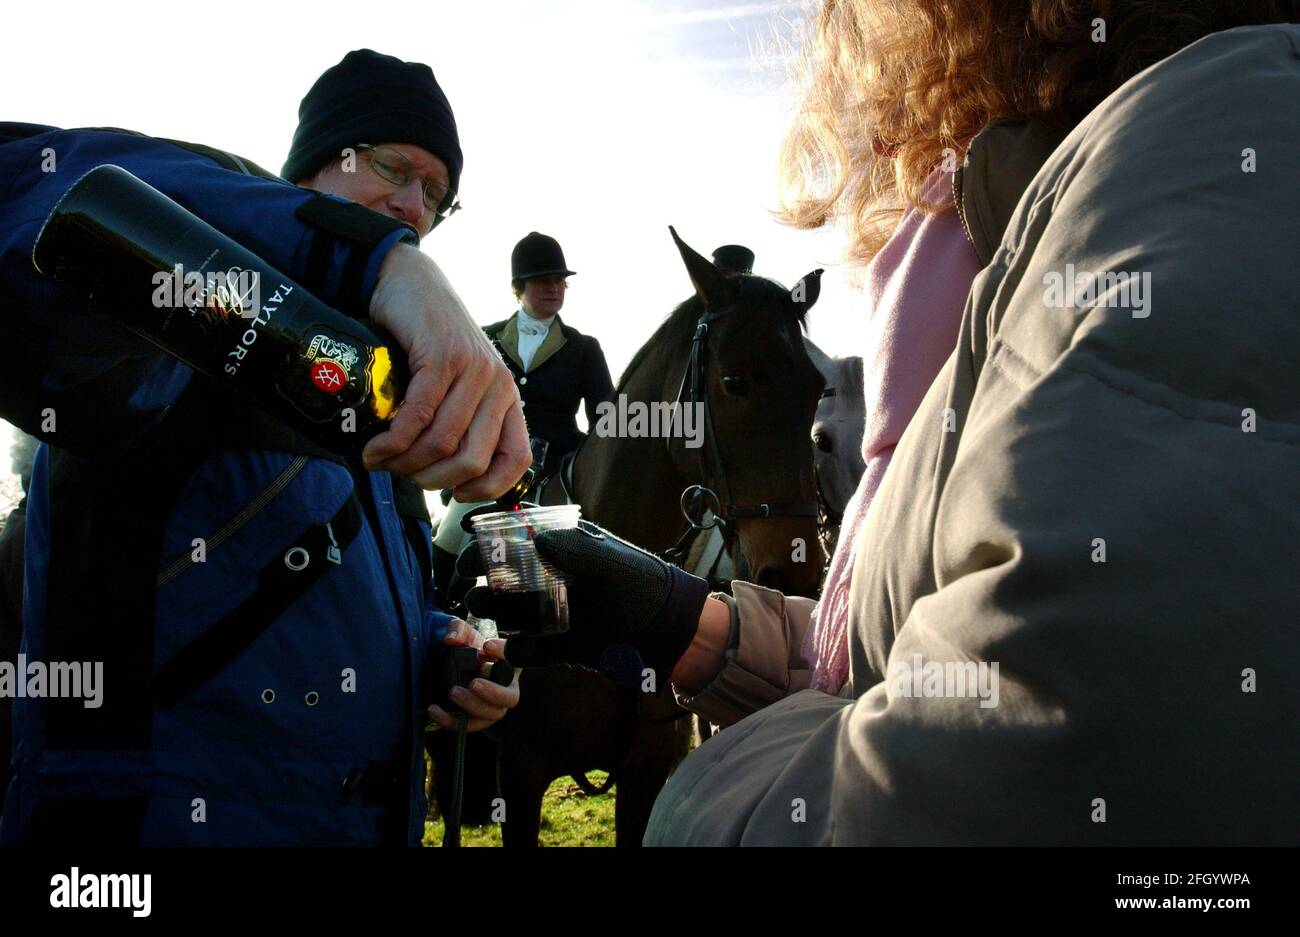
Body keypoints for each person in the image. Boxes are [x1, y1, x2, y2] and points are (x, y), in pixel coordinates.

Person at [461, 8, 1300, 845]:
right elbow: (930, 647)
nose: (877, 141)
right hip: (522, 470)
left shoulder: (1172, 198)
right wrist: (693, 623)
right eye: (538, 284)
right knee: (461, 538)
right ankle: (449, 708)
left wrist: (692, 807)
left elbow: (1004, 742)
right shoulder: (1016, 268)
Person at [0, 49, 529, 846]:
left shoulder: (381, 390)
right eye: (394, 167)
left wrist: (441, 654)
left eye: (437, 196)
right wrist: (367, 257)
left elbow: (326, 605)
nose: (414, 206)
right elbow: (30, 182)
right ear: (315, 166)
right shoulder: (178, 310)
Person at [483, 232, 614, 481]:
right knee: (454, 522)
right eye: (543, 280)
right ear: (517, 287)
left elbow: (605, 421)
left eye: (560, 280)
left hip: (558, 478)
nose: (554, 288)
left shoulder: (584, 347)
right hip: (487, 472)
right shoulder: (483, 339)